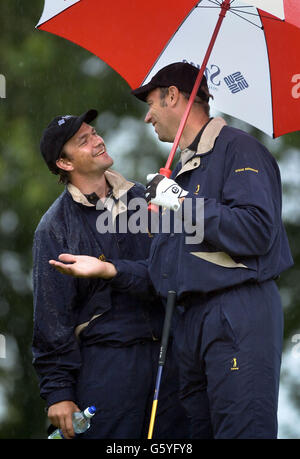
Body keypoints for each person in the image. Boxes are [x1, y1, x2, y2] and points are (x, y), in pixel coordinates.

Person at [49, 63, 294, 439]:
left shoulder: (241, 150)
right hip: (190, 325)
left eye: (151, 103)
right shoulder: (182, 169)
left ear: (174, 96)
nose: (147, 117)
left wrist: (181, 202)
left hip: (236, 313)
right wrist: (110, 269)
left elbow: (257, 232)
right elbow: (164, 268)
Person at [32, 109, 188, 439]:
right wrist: (59, 392)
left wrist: (111, 270)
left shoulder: (148, 201)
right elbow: (52, 319)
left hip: (171, 361)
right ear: (65, 163)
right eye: (83, 140)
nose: (98, 140)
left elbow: (171, 278)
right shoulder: (54, 228)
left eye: (94, 132)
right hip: (108, 369)